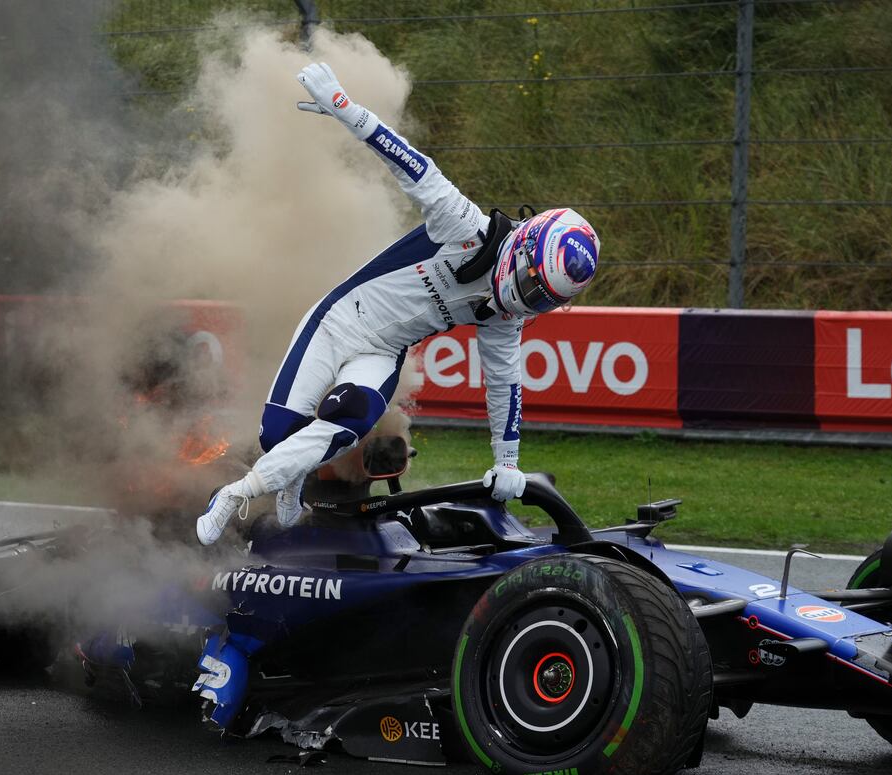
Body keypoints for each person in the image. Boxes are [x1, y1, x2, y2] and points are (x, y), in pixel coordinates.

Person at [196, 62, 601, 545]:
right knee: (276, 435)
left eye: (544, 300)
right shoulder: (463, 226)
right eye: (533, 285)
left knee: (348, 424)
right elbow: (409, 162)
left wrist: (507, 462)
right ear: (524, 246)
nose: (528, 300)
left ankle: (240, 493)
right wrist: (345, 108)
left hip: (381, 354)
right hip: (338, 321)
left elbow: (505, 387)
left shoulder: (505, 316)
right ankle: (282, 478)